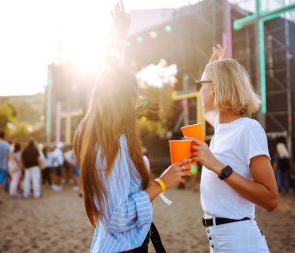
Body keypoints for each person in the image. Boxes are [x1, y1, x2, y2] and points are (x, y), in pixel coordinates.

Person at [73, 3, 191, 252]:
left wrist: (120, 40)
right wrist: (161, 184)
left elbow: (110, 82)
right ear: (124, 100)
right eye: (134, 95)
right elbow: (117, 217)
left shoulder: (90, 130)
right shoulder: (111, 144)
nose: (138, 101)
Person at [187, 45, 278, 252]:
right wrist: (211, 65)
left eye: (203, 84)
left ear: (215, 87)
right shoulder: (222, 126)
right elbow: (206, 106)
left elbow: (271, 199)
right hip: (219, 240)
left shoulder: (248, 129)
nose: (200, 89)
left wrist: (218, 167)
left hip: (239, 241)